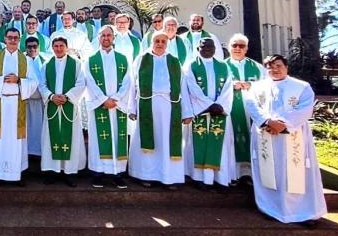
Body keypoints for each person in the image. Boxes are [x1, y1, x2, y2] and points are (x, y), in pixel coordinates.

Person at [244, 55, 327, 225]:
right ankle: (270, 208)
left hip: (293, 134)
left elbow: (305, 109)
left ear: (286, 67)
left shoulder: (301, 87)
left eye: (278, 65)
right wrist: (268, 121)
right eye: (270, 67)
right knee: (270, 172)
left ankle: (303, 212)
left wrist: (283, 124)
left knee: (295, 173)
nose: (274, 69)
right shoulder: (257, 87)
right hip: (266, 134)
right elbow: (252, 105)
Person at [128, 31, 189, 189]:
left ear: (167, 43)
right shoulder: (142, 59)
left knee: (166, 141)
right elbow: (132, 85)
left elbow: (183, 87)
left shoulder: (174, 61)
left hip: (169, 105)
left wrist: (187, 112)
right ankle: (145, 175)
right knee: (147, 139)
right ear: (151, 41)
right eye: (157, 40)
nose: (160, 43)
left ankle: (168, 177)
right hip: (147, 104)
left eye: (163, 41)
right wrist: (131, 108)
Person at [0, 28, 39, 185]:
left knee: (16, 140)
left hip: (17, 103)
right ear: (5, 39)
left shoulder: (26, 60)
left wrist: (19, 80)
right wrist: (2, 81)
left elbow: (34, 82)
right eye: (10, 37)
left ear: (19, 39)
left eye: (15, 38)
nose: (13, 40)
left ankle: (16, 174)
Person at [83, 25, 134, 189]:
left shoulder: (123, 58)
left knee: (118, 139)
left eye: (109, 35)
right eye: (103, 35)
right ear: (98, 38)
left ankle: (117, 174)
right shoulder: (91, 59)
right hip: (100, 106)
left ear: (114, 38)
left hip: (117, 106)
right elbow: (89, 81)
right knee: (99, 140)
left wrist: (116, 99)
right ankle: (98, 173)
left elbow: (128, 81)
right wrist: (104, 99)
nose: (106, 38)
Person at [182, 38, 234, 190]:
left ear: (215, 49)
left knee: (220, 145)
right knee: (198, 144)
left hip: (219, 112)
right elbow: (191, 88)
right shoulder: (191, 66)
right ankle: (198, 178)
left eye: (210, 46)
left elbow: (228, 89)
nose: (207, 49)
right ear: (198, 48)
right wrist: (209, 105)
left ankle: (220, 179)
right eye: (203, 46)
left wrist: (220, 106)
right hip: (200, 112)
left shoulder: (223, 67)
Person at [38, 37, 87, 187]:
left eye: (61, 46)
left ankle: (69, 172)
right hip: (52, 106)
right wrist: (52, 97)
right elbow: (42, 84)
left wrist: (67, 97)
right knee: (50, 139)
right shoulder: (47, 65)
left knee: (71, 138)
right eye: (56, 46)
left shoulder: (76, 64)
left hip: (69, 106)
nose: (58, 49)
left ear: (67, 47)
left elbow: (81, 83)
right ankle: (53, 171)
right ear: (52, 48)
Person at [225, 33, 266, 181]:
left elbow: (267, 86)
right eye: (234, 45)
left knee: (252, 139)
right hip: (231, 111)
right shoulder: (223, 66)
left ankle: (250, 175)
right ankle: (232, 174)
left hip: (252, 111)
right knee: (232, 139)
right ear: (229, 47)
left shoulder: (257, 67)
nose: (237, 48)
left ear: (246, 49)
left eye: (241, 46)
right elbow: (216, 87)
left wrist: (251, 85)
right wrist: (231, 85)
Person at [23, 36, 46, 157]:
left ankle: (39, 153)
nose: (32, 49)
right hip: (25, 101)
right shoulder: (21, 60)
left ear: (39, 47)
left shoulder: (45, 60)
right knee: (27, 129)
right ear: (25, 48)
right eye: (29, 47)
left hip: (41, 101)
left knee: (39, 129)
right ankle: (26, 153)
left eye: (34, 46)